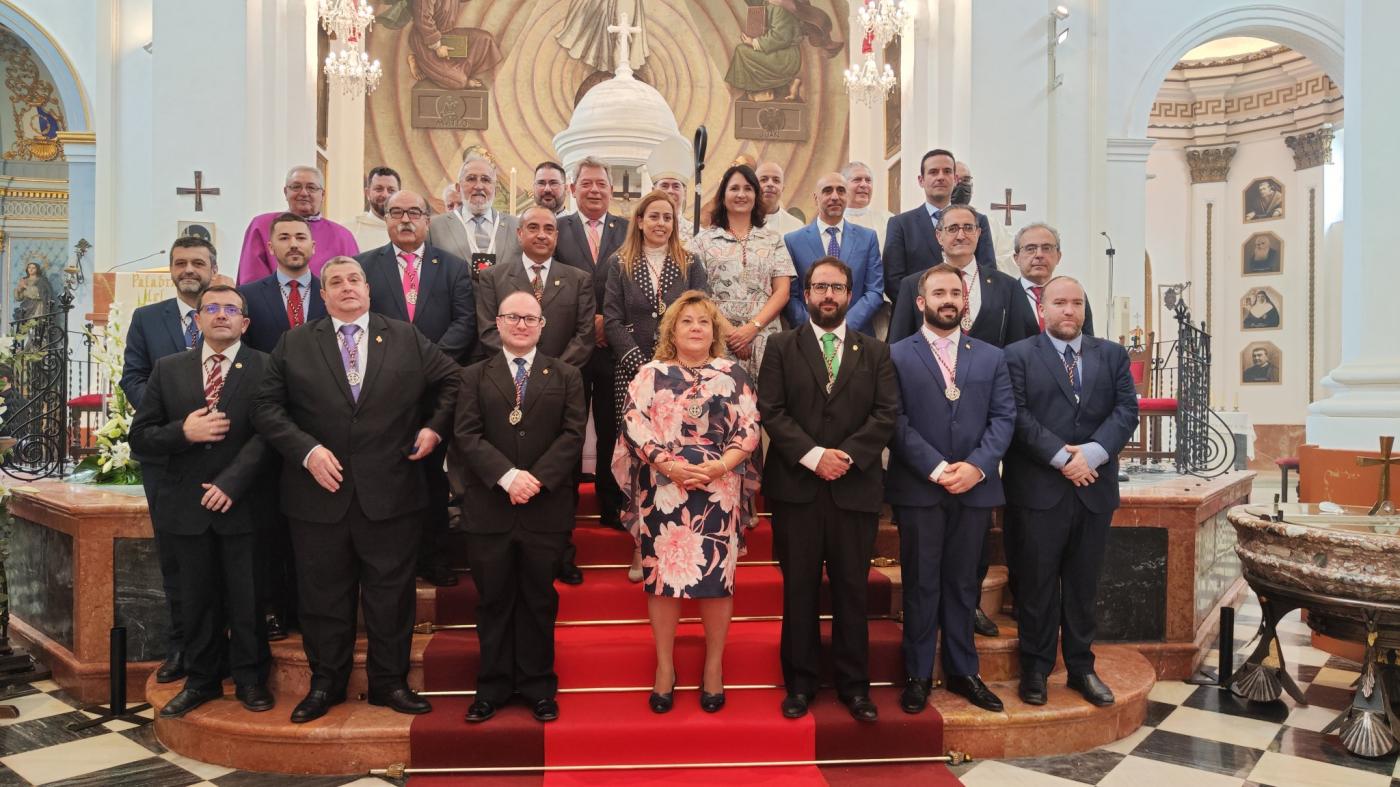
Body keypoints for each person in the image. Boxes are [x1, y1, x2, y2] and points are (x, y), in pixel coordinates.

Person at [252, 256, 461, 723]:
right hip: (317, 495)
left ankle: (390, 683)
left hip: (391, 494)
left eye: (353, 280)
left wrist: (433, 429)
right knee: (324, 597)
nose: (346, 287)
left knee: (391, 596)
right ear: (321, 295)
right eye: (335, 282)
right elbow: (265, 407)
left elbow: (452, 381)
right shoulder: (295, 342)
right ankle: (326, 684)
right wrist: (305, 451)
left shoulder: (404, 336)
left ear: (368, 289)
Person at [758, 258, 898, 722]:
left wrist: (847, 456)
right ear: (806, 292)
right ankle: (799, 684)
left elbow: (885, 414)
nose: (828, 295)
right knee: (798, 590)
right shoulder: (781, 346)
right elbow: (772, 411)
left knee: (851, 591)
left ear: (851, 294)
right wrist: (815, 455)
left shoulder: (874, 351)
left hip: (853, 488)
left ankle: (854, 687)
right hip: (797, 487)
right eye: (820, 287)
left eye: (837, 287)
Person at [130, 284, 273, 718]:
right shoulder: (168, 369)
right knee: (196, 599)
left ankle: (250, 680)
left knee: (247, 598)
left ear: (245, 322)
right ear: (198, 319)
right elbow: (140, 438)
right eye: (212, 308)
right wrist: (183, 433)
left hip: (244, 503)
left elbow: (271, 434)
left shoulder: (267, 368)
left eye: (232, 309)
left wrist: (232, 482)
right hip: (185, 508)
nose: (222, 315)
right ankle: (203, 680)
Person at [615, 291, 761, 713]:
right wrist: (667, 464)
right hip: (663, 487)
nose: (696, 328)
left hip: (720, 488)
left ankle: (713, 668)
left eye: (703, 322)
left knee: (717, 581)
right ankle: (665, 667)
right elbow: (633, 422)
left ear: (714, 331)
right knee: (662, 581)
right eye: (687, 322)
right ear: (672, 331)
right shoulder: (649, 373)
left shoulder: (733, 373)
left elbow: (749, 427)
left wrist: (719, 468)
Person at [1002, 276, 1139, 709]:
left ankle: (1081, 668)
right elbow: (1017, 415)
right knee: (1038, 584)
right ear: (1042, 308)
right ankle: (1037, 669)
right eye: (1059, 303)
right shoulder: (1018, 356)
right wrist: (1063, 458)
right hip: (1039, 489)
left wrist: (1093, 454)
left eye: (1076, 303)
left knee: (1083, 585)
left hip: (1093, 489)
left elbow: (1126, 410)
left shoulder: (1112, 354)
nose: (1068, 311)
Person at [886, 265, 1015, 715]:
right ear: (921, 302)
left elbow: (1004, 419)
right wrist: (938, 467)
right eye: (938, 292)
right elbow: (894, 421)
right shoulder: (897, 354)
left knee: (964, 584)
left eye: (955, 293)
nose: (948, 300)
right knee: (921, 583)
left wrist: (977, 468)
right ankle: (918, 673)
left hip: (975, 489)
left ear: (965, 301)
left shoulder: (991, 356)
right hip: (921, 487)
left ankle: (964, 671)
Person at [454, 291, 587, 725]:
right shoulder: (473, 376)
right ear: (498, 322)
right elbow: (467, 435)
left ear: (542, 325)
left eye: (531, 318)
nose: (522, 324)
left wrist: (535, 479)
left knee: (538, 600)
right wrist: (508, 477)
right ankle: (491, 687)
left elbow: (572, 436)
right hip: (489, 508)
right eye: (513, 316)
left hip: (544, 509)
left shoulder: (566, 375)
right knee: (493, 601)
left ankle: (537, 687)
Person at [359, 189, 476, 589]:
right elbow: (363, 321)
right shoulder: (365, 267)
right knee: (388, 476)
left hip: (437, 390)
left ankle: (434, 556)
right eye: (397, 212)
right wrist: (398, 365)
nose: (405, 219)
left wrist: (426, 363)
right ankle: (391, 560)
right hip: (381, 389)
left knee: (431, 476)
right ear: (386, 219)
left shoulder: (454, 267)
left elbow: (465, 322)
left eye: (414, 212)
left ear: (428, 219)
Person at [475, 206, 596, 584]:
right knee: (513, 462)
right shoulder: (494, 278)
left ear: (557, 237)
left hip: (563, 389)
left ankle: (562, 553)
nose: (542, 234)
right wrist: (523, 364)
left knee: (562, 470)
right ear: (519, 233)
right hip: (506, 385)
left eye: (549, 228)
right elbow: (487, 331)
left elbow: (584, 334)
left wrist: (551, 374)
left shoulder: (578, 279)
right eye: (533, 227)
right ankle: (510, 546)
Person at [121, 236, 221, 686]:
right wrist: (176, 417)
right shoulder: (147, 319)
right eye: (180, 263)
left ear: (212, 269)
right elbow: (134, 376)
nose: (188, 269)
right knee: (176, 560)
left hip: (224, 455)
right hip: (166, 457)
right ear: (171, 269)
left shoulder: (227, 312)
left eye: (197, 262)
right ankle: (182, 645)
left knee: (228, 557)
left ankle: (228, 644)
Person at [603, 191, 709, 578]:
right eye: (654, 216)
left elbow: (701, 312)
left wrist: (670, 365)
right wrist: (642, 365)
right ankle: (640, 544)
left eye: (668, 217)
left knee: (677, 455)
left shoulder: (690, 262)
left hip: (682, 373)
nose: (661, 223)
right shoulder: (619, 263)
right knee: (641, 461)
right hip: (633, 374)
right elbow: (611, 320)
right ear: (640, 220)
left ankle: (681, 538)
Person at [239, 213, 329, 641]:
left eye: (301, 238)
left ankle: (308, 608)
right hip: (268, 426)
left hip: (322, 427)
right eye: (285, 238)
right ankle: (273, 607)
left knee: (314, 528)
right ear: (270, 248)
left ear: (314, 247)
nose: (294, 244)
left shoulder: (332, 295)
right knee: (270, 523)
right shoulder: (249, 298)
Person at [556, 157, 630, 533]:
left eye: (601, 183)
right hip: (570, 347)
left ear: (611, 190)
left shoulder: (627, 229)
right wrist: (589, 323)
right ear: (573, 189)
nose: (595, 190)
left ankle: (611, 502)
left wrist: (607, 321)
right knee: (567, 426)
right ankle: (563, 502)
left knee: (610, 426)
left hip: (613, 349)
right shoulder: (556, 229)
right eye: (586, 183)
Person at [688, 164, 792, 380]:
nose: (741, 194)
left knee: (767, 406)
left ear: (756, 195)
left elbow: (782, 291)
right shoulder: (703, 241)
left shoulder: (773, 240)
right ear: (723, 195)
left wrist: (752, 328)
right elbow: (699, 294)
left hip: (764, 337)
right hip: (719, 338)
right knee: (723, 406)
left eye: (748, 188)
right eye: (734, 188)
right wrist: (732, 334)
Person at [889, 205, 1020, 349]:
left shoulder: (1007, 286)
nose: (961, 236)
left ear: (978, 233)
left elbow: (1016, 347)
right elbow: (898, 348)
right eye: (952, 229)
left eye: (968, 228)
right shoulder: (912, 285)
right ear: (939, 236)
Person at [882, 150, 996, 304]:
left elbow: (988, 272)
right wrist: (932, 308)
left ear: (955, 179)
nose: (940, 177)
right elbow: (893, 281)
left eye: (947, 171)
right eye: (933, 172)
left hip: (970, 313)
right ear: (921, 180)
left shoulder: (977, 221)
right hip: (917, 317)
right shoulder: (900, 224)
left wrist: (964, 307)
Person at [783, 172, 883, 334]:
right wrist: (813, 328)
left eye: (841, 191)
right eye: (827, 191)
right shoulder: (793, 241)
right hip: (808, 337)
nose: (835, 196)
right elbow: (790, 296)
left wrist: (844, 327)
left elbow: (874, 291)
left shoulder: (868, 238)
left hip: (856, 335)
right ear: (816, 198)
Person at [237, 166, 358, 285]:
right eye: (296, 187)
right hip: (270, 302)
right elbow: (252, 279)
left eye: (311, 188)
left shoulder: (343, 236)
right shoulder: (262, 225)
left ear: (323, 194)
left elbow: (353, 281)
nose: (304, 193)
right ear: (285, 192)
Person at [428, 153, 522, 282]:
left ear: (495, 188)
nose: (478, 186)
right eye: (471, 179)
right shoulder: (434, 227)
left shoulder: (516, 225)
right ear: (458, 187)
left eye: (486, 180)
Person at [1006, 223, 1095, 343]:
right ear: (1016, 258)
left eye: (1046, 248)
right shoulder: (1005, 294)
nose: (1039, 255)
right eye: (1030, 249)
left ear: (1058, 256)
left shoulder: (1074, 293)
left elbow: (1087, 340)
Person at [405, 0, 502, 89]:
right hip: (425, 40)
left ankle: (441, 68)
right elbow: (423, 19)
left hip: (447, 34)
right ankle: (419, 61)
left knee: (485, 40)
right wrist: (437, 46)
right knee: (459, 81)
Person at [349, 167, 402, 252]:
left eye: (391, 190)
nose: (385, 195)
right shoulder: (349, 231)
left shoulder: (409, 229)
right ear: (367, 193)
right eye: (379, 189)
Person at [841, 160, 889, 247]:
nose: (864, 185)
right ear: (843, 186)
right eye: (857, 180)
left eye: (868, 180)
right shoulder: (833, 221)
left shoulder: (887, 220)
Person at [756, 161, 804, 237]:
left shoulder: (796, 227)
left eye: (776, 180)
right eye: (763, 180)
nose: (770, 184)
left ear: (782, 188)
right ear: (754, 186)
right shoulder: (740, 221)